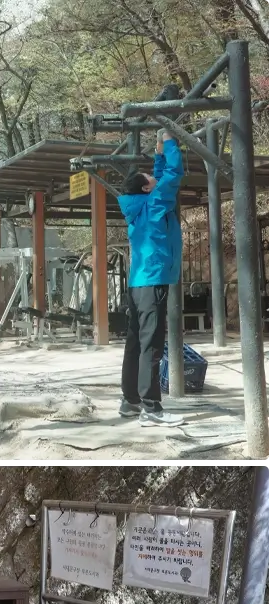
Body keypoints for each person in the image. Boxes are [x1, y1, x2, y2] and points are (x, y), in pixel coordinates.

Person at [118, 129, 185, 427]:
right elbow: (174, 172)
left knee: (136, 343)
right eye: (149, 177)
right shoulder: (156, 203)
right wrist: (169, 142)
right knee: (151, 345)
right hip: (153, 280)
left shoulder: (141, 205)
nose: (153, 177)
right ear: (147, 189)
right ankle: (151, 408)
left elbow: (160, 176)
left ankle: (130, 401)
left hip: (138, 284)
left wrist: (158, 153)